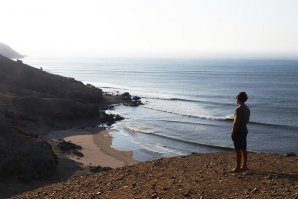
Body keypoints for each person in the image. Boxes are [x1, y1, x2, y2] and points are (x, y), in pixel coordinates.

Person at [231, 92, 250, 172]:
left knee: (238, 149)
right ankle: (244, 165)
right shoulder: (247, 108)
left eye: (236, 97)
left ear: (239, 99)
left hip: (238, 131)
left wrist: (233, 132)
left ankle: (238, 167)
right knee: (244, 148)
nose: (236, 99)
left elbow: (236, 122)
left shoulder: (238, 109)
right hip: (244, 129)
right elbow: (247, 120)